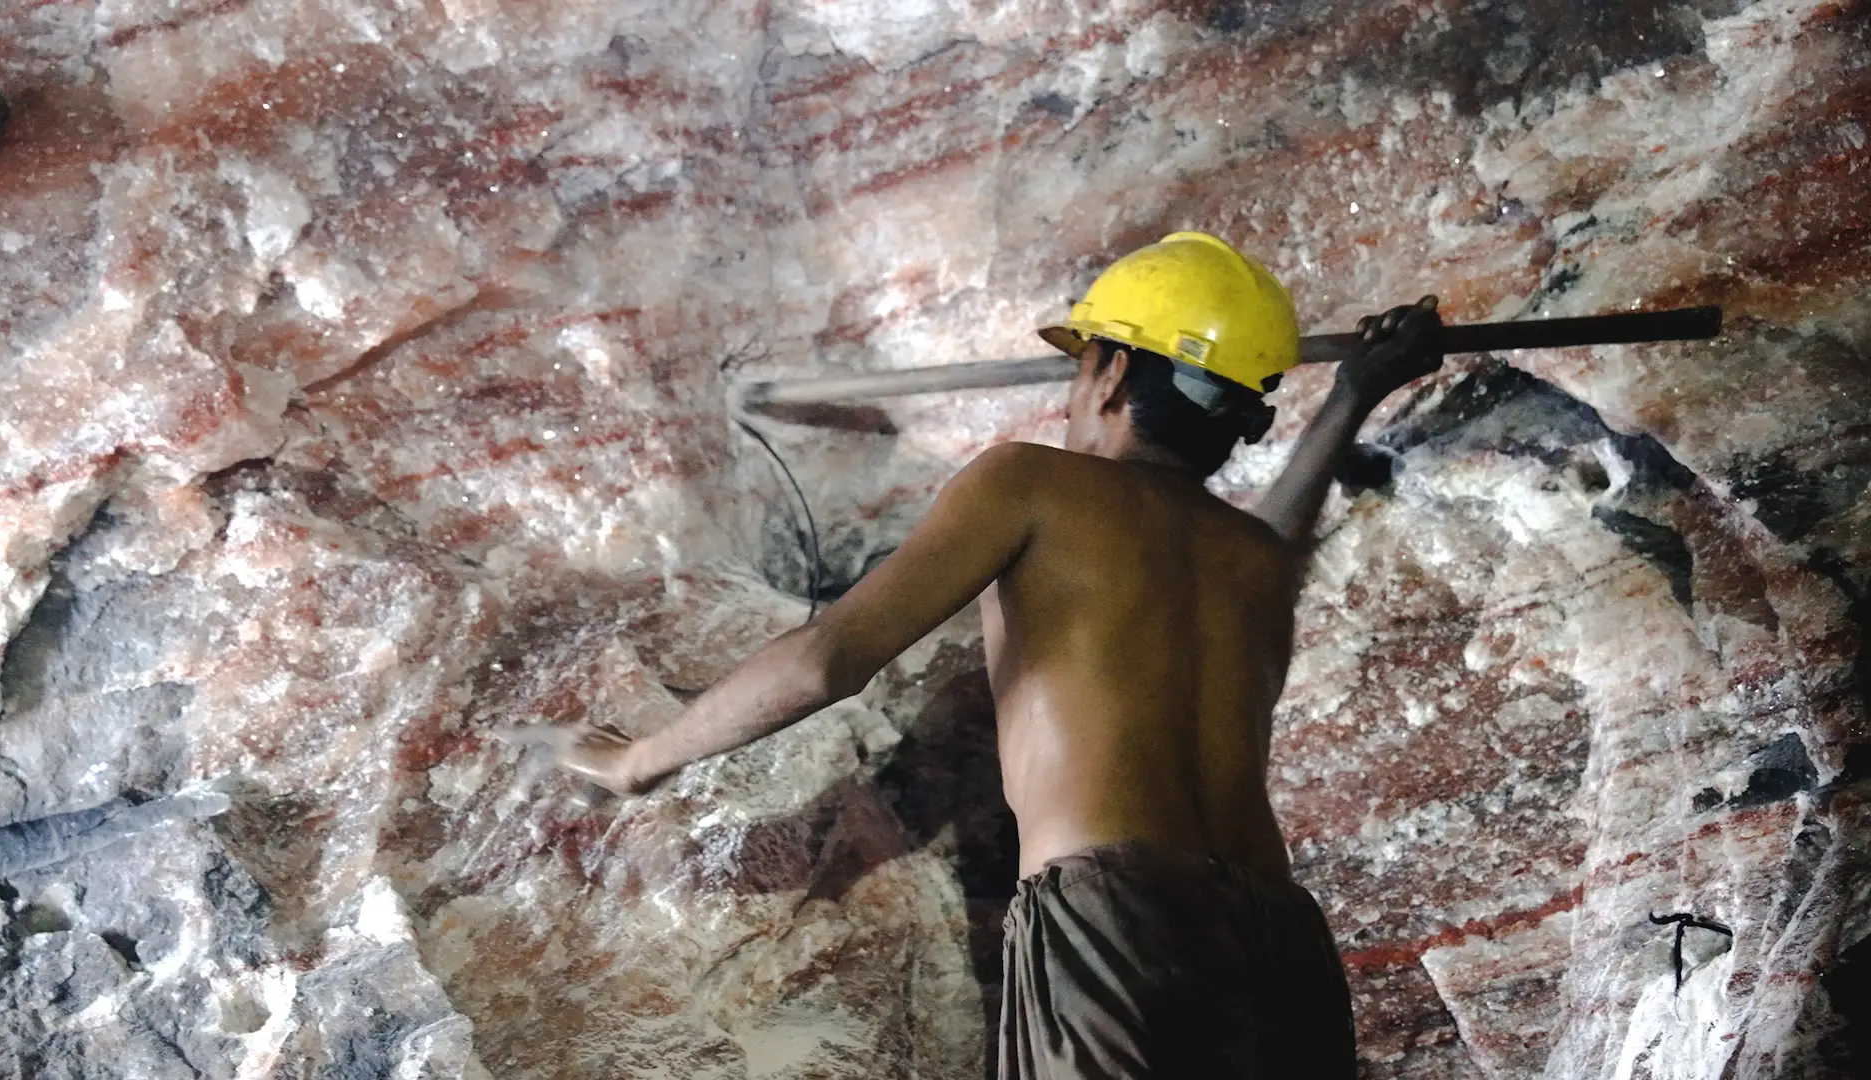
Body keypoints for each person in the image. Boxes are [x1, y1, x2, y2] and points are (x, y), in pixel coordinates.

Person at [551, 231, 1443, 1078]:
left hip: (1119, 917)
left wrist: (639, 759)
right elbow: (1278, 535)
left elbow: (829, 657)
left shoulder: (1031, 482)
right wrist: (1354, 392)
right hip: (1280, 946)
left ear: (1113, 372)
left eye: (1078, 366)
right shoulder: (1255, 562)